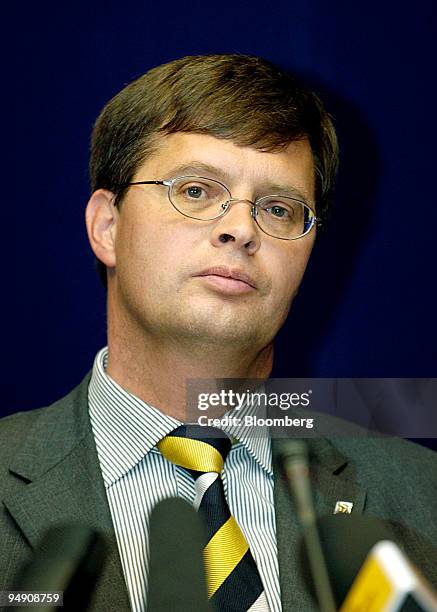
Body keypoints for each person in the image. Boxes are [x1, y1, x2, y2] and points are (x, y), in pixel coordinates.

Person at [2, 54, 436, 612]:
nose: (240, 228)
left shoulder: (423, 500)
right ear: (107, 227)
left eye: (279, 209)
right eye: (196, 191)